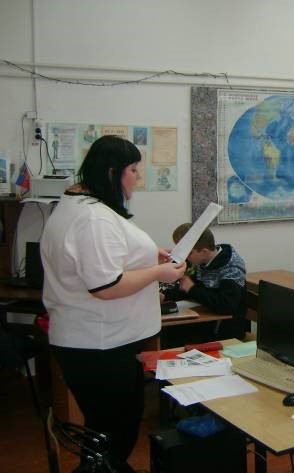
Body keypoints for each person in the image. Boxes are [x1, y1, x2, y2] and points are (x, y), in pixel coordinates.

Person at [40, 135, 185, 473]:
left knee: (105, 433)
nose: (137, 177)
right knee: (115, 434)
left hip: (96, 342)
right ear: (111, 172)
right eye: (133, 170)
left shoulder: (79, 206)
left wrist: (148, 255)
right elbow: (106, 285)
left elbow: (104, 260)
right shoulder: (93, 218)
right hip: (99, 344)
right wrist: (158, 272)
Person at [162, 223, 248, 340]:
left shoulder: (232, 268)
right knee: (166, 331)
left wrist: (192, 289)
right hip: (206, 320)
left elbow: (226, 306)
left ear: (204, 251)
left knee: (170, 336)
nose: (185, 256)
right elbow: (187, 288)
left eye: (188, 253)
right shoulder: (202, 260)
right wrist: (165, 296)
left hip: (225, 331)